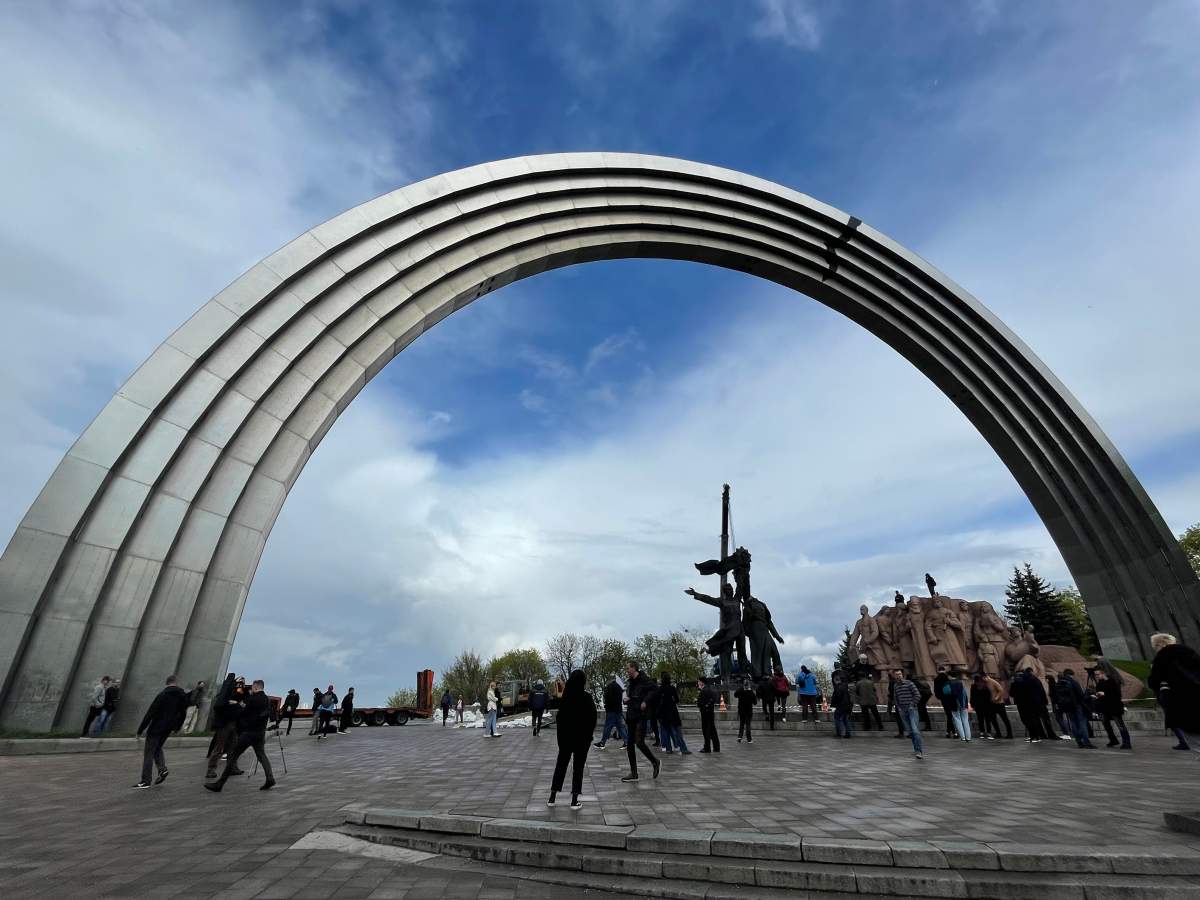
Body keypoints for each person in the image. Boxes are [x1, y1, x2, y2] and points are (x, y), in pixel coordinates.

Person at [205, 679, 275, 792]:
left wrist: (237, 705)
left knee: (233, 755)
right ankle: (270, 778)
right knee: (261, 756)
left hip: (249, 733)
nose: (251, 689)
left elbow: (244, 713)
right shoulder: (266, 699)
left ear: (256, 687)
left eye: (252, 687)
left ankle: (219, 784)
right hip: (260, 732)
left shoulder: (253, 698)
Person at [547, 670, 597, 810]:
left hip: (566, 740)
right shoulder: (587, 698)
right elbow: (592, 718)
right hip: (582, 740)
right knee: (578, 769)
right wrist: (588, 736)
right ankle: (574, 800)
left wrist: (561, 739)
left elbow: (560, 719)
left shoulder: (565, 698)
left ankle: (552, 797)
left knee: (560, 766)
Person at [133, 675, 190, 789]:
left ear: (167, 683)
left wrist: (140, 730)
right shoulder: (182, 696)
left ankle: (145, 780)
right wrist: (177, 727)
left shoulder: (162, 695)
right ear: (175, 683)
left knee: (149, 753)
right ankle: (162, 769)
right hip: (168, 728)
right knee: (158, 748)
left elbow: (151, 712)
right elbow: (183, 713)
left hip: (156, 727)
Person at [1148, 633, 1200, 755]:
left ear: (1160, 644)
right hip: (1197, 696)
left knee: (1194, 740)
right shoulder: (1189, 652)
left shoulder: (1162, 656)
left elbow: (1154, 681)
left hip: (1179, 701)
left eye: (1155, 646)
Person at [621, 661, 660, 782]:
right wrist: (626, 699)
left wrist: (645, 701)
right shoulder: (631, 683)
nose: (626, 671)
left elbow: (655, 690)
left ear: (634, 668)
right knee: (630, 744)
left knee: (639, 742)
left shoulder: (644, 679)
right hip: (632, 715)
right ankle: (634, 773)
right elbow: (632, 697)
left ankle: (655, 762)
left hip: (641, 715)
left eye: (628, 668)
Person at [205, 673, 242, 779]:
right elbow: (218, 705)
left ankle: (232, 768)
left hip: (233, 724)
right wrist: (230, 702)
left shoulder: (232, 693)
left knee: (233, 747)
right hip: (224, 724)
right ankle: (211, 769)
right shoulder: (225, 693)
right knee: (219, 748)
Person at [1055, 669, 1096, 749]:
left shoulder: (1059, 683)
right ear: (1071, 674)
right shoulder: (1073, 682)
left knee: (1073, 723)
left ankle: (1079, 742)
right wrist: (1089, 696)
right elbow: (1081, 695)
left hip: (1067, 707)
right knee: (1082, 723)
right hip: (1077, 705)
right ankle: (1086, 742)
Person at [1093, 670, 1131, 749]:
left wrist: (1105, 694)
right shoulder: (1099, 683)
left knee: (1120, 725)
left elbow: (1117, 695)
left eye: (1097, 674)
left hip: (1114, 707)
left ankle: (1127, 743)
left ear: (1103, 673)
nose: (1096, 676)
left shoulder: (1113, 681)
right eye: (1095, 675)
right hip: (1104, 707)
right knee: (1106, 725)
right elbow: (1099, 692)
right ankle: (1113, 740)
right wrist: (1097, 694)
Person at [892, 668, 924, 759]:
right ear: (894, 676)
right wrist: (898, 708)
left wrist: (912, 705)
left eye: (900, 674)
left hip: (912, 710)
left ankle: (919, 751)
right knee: (910, 731)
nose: (898, 676)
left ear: (902, 675)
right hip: (903, 711)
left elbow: (917, 695)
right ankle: (916, 749)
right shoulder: (895, 686)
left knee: (915, 730)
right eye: (897, 674)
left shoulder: (909, 683)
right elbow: (896, 698)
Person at [1009, 667, 1046, 742]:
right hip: (1034, 703)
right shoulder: (1034, 679)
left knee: (1027, 720)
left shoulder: (1017, 682)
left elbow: (1011, 693)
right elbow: (1041, 691)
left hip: (1022, 704)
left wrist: (1013, 683)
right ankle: (1036, 736)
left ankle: (1034, 736)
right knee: (1033, 719)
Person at [656, 672, 689, 753]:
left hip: (664, 714)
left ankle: (668, 749)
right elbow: (677, 700)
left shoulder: (660, 689)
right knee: (677, 733)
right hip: (673, 712)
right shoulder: (672, 688)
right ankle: (683, 749)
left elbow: (658, 702)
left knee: (666, 733)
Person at [595, 677, 629, 750]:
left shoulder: (610, 687)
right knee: (620, 727)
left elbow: (608, 699)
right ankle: (627, 742)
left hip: (611, 710)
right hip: (618, 710)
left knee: (608, 726)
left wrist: (606, 706)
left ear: (610, 680)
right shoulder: (619, 687)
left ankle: (602, 742)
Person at [983, 674, 1013, 739]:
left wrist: (997, 697)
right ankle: (998, 733)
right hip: (992, 704)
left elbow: (1001, 690)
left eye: (983, 678)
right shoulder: (986, 683)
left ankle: (1010, 734)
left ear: (985, 677)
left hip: (999, 704)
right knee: (993, 719)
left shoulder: (993, 682)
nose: (982, 680)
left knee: (1005, 719)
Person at [1045, 673, 1073, 740]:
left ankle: (1066, 733)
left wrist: (1056, 705)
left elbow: (1055, 697)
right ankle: (1066, 733)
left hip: (1057, 704)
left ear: (1048, 679)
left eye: (1046, 679)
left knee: (1059, 719)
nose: (1046, 680)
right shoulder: (1054, 685)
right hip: (1057, 704)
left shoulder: (1053, 686)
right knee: (1060, 719)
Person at [970, 674, 998, 740]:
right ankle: (988, 733)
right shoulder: (985, 685)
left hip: (978, 705)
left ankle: (982, 733)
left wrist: (972, 704)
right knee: (987, 720)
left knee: (980, 720)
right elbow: (989, 695)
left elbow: (972, 696)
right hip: (987, 705)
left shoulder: (973, 686)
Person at [946, 670, 971, 741]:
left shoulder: (948, 683)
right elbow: (964, 694)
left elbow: (946, 693)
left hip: (954, 704)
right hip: (963, 704)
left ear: (949, 676)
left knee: (957, 719)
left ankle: (962, 737)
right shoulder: (961, 683)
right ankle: (968, 737)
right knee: (965, 720)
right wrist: (966, 703)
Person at [697, 678, 720, 753]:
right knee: (713, 730)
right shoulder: (710, 690)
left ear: (702, 683)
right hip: (711, 712)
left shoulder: (703, 691)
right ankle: (716, 747)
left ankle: (707, 747)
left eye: (699, 682)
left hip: (705, 713)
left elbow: (700, 703)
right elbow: (714, 700)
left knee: (706, 730)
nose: (698, 683)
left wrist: (698, 702)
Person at [934, 666, 954, 738]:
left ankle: (949, 731)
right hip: (950, 698)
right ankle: (952, 731)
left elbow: (936, 690)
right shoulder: (947, 678)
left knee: (948, 714)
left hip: (943, 698)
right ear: (944, 670)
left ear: (938, 670)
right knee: (951, 715)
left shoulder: (936, 679)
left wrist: (939, 697)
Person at [734, 678, 757, 744]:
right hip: (748, 711)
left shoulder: (740, 690)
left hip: (741, 710)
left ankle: (739, 737)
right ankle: (749, 739)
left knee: (741, 723)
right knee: (748, 724)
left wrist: (741, 688)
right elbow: (755, 702)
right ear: (749, 685)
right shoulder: (751, 692)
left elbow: (735, 695)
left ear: (743, 685)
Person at [831, 673, 853, 738]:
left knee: (837, 719)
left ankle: (838, 733)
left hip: (841, 706)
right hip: (848, 706)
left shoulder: (837, 687)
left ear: (835, 680)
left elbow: (838, 697)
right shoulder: (845, 686)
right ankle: (848, 733)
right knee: (845, 719)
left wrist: (834, 704)